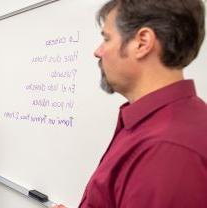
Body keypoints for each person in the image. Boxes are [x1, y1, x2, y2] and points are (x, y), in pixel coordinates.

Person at [54, 0, 207, 207]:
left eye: (106, 39)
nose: (98, 52)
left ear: (142, 43)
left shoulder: (166, 151)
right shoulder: (157, 125)